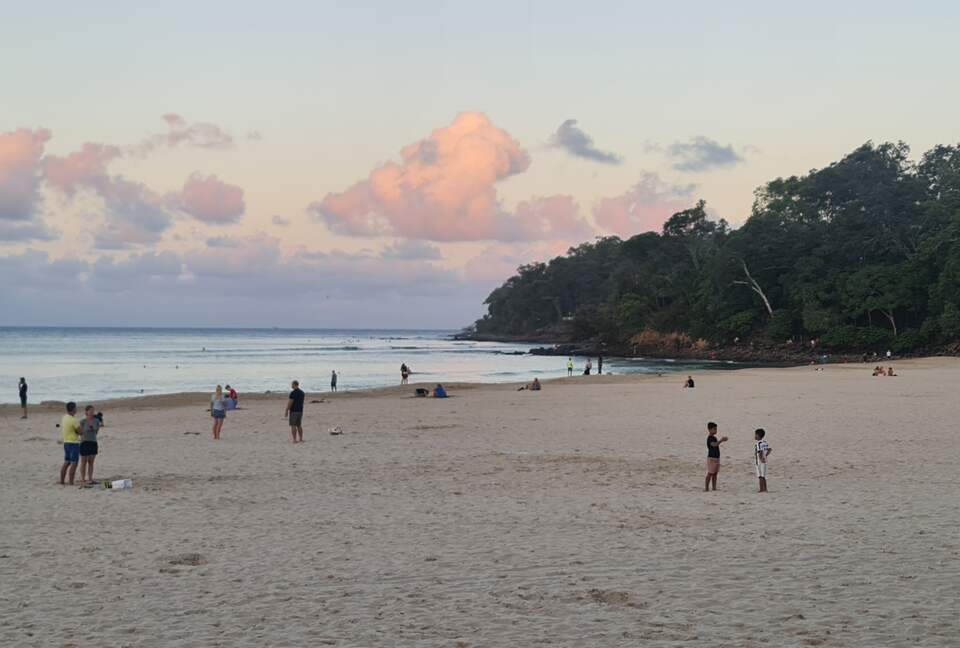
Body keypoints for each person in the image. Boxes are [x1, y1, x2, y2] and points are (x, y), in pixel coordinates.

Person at [78, 405, 101, 484]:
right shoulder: (82, 421)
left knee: (91, 462)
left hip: (93, 442)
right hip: (84, 442)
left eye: (93, 411)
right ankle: (83, 479)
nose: (92, 412)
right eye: (90, 411)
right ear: (86, 412)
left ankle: (90, 478)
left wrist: (92, 429)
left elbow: (96, 432)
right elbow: (80, 433)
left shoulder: (96, 421)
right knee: (83, 461)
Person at [60, 402, 81, 485]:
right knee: (74, 463)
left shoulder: (64, 417)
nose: (76, 409)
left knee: (66, 462)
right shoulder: (73, 420)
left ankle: (62, 481)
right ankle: (71, 482)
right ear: (73, 409)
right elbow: (81, 431)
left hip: (66, 442)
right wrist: (77, 431)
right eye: (75, 408)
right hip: (73, 443)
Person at [704, 422, 728, 492]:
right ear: (709, 429)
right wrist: (721, 440)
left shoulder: (714, 437)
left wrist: (721, 440)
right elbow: (714, 445)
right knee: (710, 473)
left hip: (716, 458)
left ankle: (714, 487)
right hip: (711, 458)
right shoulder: (709, 438)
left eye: (716, 429)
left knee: (715, 473)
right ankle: (706, 488)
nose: (715, 430)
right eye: (714, 429)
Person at [755, 428, 771, 493]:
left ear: (758, 436)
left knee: (760, 476)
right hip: (765, 461)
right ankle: (765, 489)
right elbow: (769, 450)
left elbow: (760, 451)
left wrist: (761, 458)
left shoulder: (758, 444)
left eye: (755, 435)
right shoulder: (765, 443)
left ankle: (761, 489)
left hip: (759, 462)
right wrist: (766, 456)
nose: (754, 436)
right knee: (764, 476)